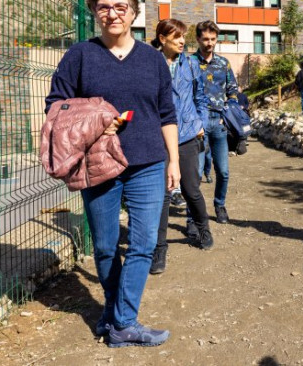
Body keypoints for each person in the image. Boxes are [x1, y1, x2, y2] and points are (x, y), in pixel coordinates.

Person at [45, 0, 178, 347]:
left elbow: (167, 113)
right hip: (99, 164)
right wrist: (93, 124)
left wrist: (174, 161)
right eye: (104, 6)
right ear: (94, 12)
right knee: (105, 247)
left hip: (148, 162)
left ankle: (122, 320)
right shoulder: (80, 55)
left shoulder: (153, 60)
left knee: (143, 244)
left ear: (135, 11)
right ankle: (115, 314)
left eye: (121, 5)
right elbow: (57, 106)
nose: (113, 13)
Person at [150, 18, 214, 275]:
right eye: (177, 37)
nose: (182, 42)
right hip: (158, 135)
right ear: (162, 38)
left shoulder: (189, 63)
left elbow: (201, 96)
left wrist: (201, 122)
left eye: (183, 37)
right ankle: (159, 248)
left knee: (191, 189)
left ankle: (203, 227)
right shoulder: (150, 63)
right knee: (163, 196)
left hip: (187, 133)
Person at [187, 20, 238, 229]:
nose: (209, 43)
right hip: (197, 125)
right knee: (195, 174)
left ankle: (220, 205)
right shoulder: (188, 62)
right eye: (205, 39)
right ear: (198, 39)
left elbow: (233, 91)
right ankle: (192, 217)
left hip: (219, 123)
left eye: (213, 39)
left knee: (223, 171)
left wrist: (229, 111)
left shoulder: (223, 63)